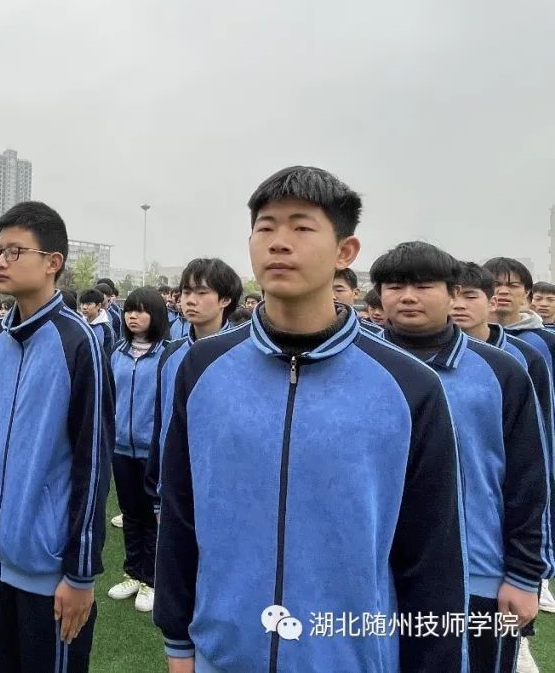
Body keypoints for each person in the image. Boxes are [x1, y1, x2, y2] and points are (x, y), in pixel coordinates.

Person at [156, 166, 467, 671]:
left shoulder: (409, 385)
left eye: (301, 227)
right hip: (223, 655)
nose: (279, 242)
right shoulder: (202, 367)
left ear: (346, 251)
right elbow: (180, 509)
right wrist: (178, 641)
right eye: (266, 227)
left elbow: (432, 556)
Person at [374, 242, 546, 670]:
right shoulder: (357, 366)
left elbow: (529, 478)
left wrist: (525, 575)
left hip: (479, 571)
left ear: (452, 293)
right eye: (395, 286)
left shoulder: (502, 370)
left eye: (423, 286)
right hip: (373, 573)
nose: (408, 297)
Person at [0, 201, 114, 673]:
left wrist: (80, 573)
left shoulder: (79, 344)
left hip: (49, 571)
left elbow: (92, 465)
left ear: (53, 262)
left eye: (14, 251)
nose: (0, 261)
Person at [451, 261, 555, 620]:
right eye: (454, 295)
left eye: (470, 295)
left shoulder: (526, 354)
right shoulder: (415, 357)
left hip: (498, 521)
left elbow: (537, 454)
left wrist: (530, 564)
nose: (459, 304)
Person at [146, 257, 242, 505]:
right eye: (186, 292)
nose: (190, 300)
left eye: (201, 292)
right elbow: (161, 421)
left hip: (224, 483)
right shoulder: (171, 353)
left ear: (225, 299)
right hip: (175, 481)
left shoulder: (242, 354)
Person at [106, 287, 169, 615]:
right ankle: (132, 573)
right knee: (130, 513)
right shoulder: (117, 352)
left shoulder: (167, 354)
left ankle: (152, 579)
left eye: (141, 310)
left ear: (155, 315)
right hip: (121, 448)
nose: (133, 315)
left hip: (152, 451)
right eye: (129, 309)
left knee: (152, 515)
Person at [78, 287, 115, 352]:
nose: (84, 307)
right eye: (82, 304)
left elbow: (109, 353)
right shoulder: (79, 324)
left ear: (98, 305)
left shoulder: (106, 329)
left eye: (89, 304)